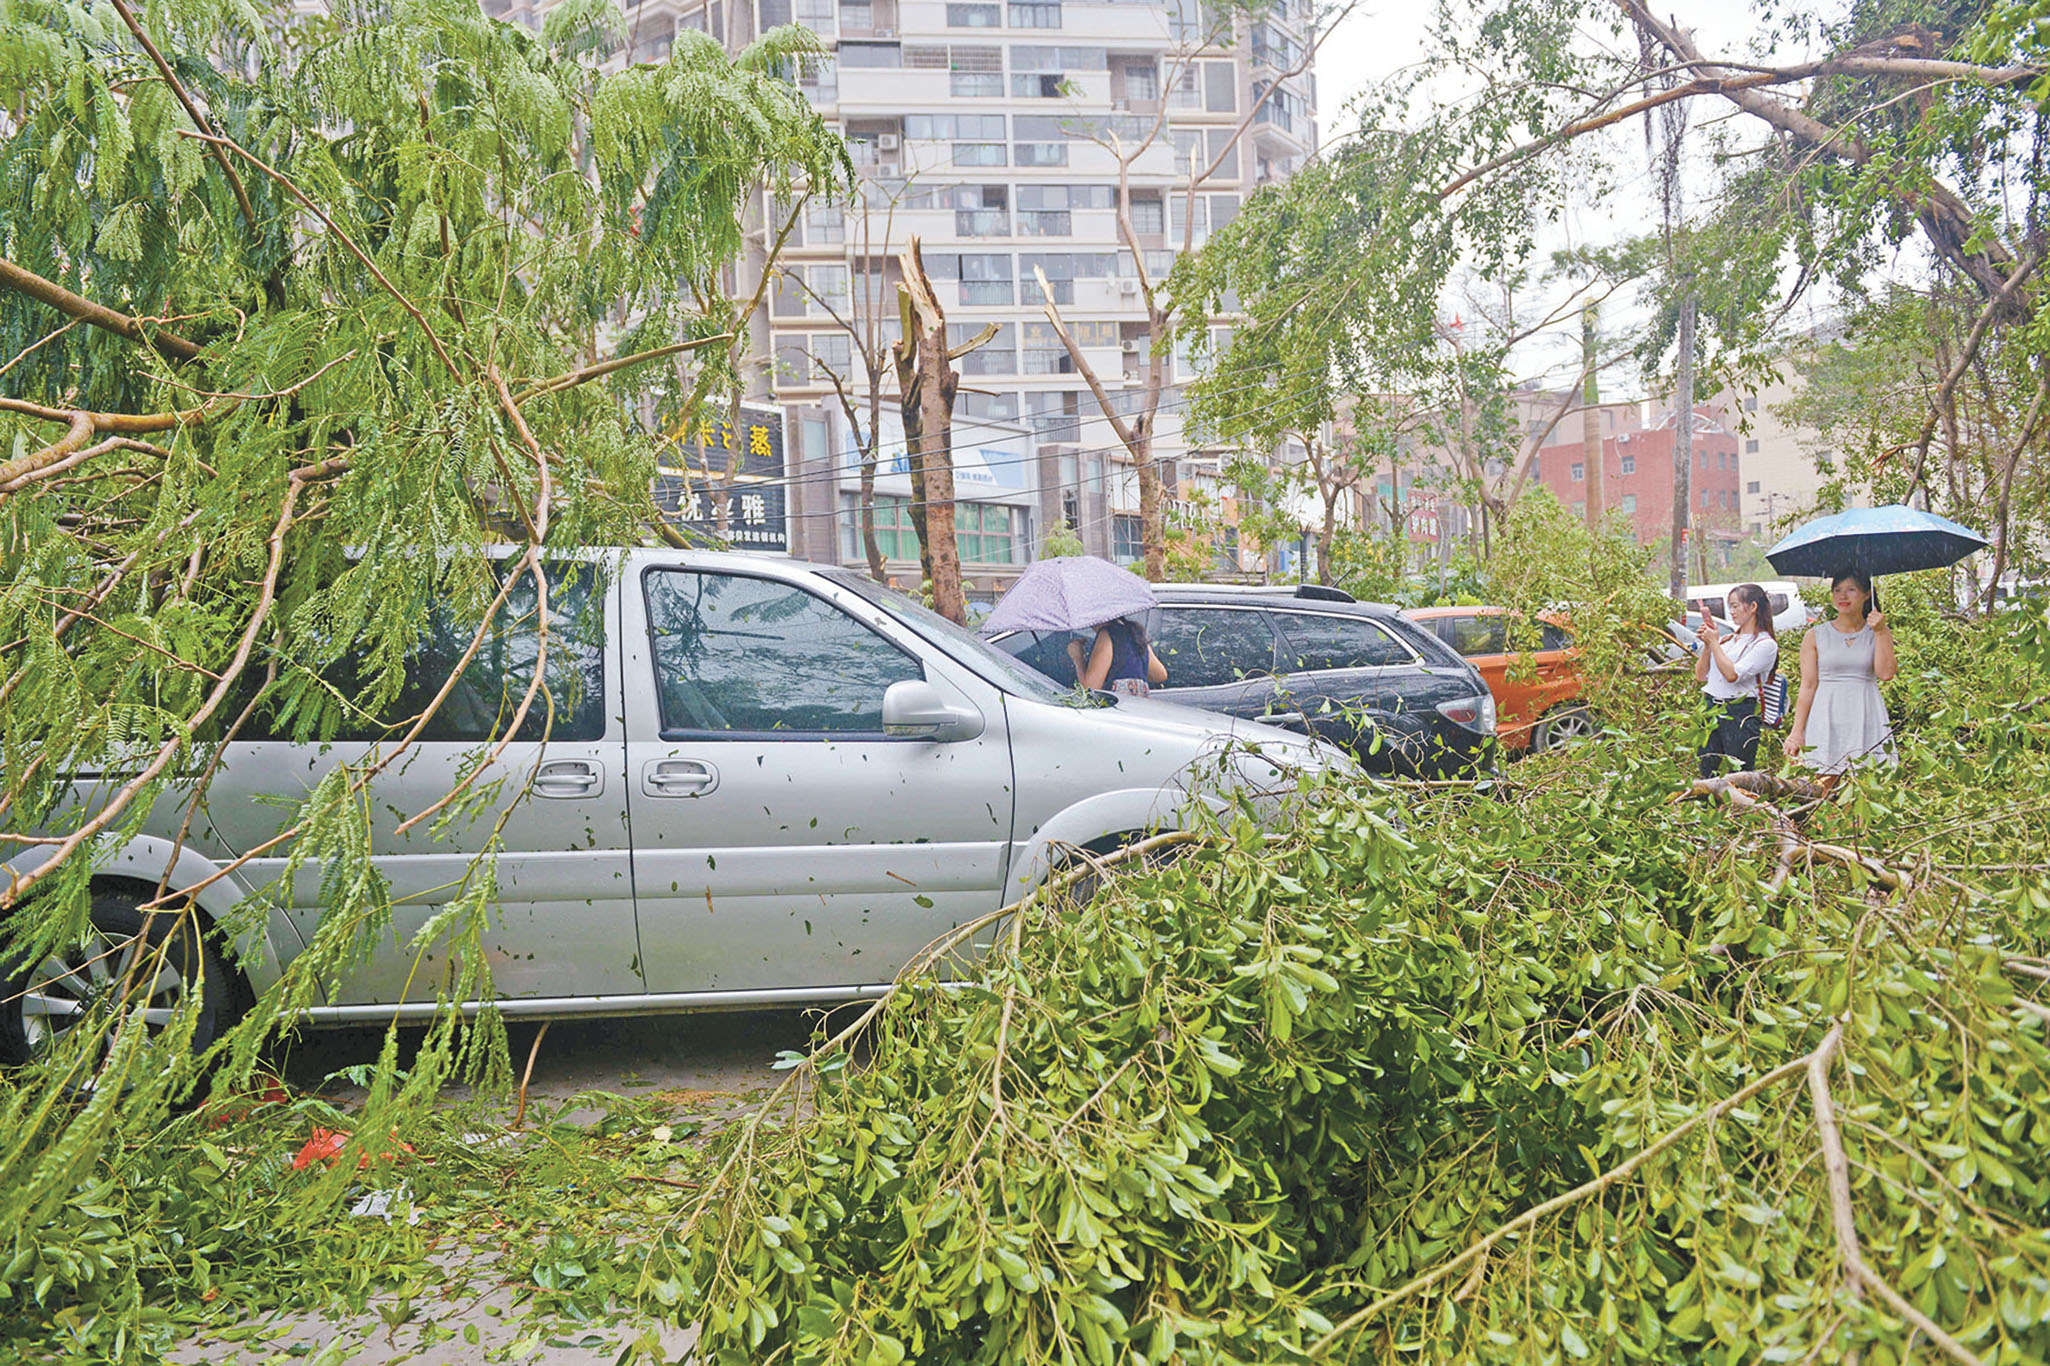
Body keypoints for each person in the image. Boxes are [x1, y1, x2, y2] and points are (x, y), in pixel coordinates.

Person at [1783, 567, 1897, 774]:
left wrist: (1880, 632)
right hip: (1826, 714)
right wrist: (1797, 732)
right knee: (1825, 782)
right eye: (1837, 590)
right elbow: (1808, 685)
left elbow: (1886, 673)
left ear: (1867, 594)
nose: (1843, 596)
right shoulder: (1815, 635)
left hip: (1865, 712)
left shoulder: (1878, 632)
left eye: (1851, 590)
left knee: (1866, 783)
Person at [1693, 582, 1780, 778]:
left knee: (1739, 774)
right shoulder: (1728, 640)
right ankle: (1710, 809)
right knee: (1707, 771)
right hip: (1710, 707)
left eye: (1735, 605)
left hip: (1739, 712)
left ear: (1753, 607)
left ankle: (1740, 809)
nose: (1731, 611)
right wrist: (1708, 645)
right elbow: (1700, 675)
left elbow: (1732, 675)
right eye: (1729, 606)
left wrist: (1714, 642)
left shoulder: (1765, 644)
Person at [1067, 615, 1167, 698]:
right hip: (1137, 710)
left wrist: (1078, 657)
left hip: (1115, 711)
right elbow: (1160, 675)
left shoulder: (1107, 635)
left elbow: (1090, 688)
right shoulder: (1134, 632)